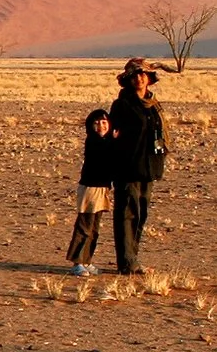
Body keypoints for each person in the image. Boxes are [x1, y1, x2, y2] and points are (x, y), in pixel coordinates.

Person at [107, 58, 169, 275]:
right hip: (127, 167)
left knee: (141, 213)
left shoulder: (153, 104)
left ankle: (132, 257)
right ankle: (126, 262)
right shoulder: (122, 105)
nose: (139, 79)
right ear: (128, 80)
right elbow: (112, 137)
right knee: (127, 213)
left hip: (148, 168)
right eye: (134, 75)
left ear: (149, 79)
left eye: (143, 75)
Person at [66, 108, 113, 275]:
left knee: (94, 228)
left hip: (102, 189)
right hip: (90, 188)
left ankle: (87, 261)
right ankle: (77, 262)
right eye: (97, 123)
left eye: (104, 122)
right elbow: (105, 152)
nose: (100, 126)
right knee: (84, 226)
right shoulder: (94, 141)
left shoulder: (107, 141)